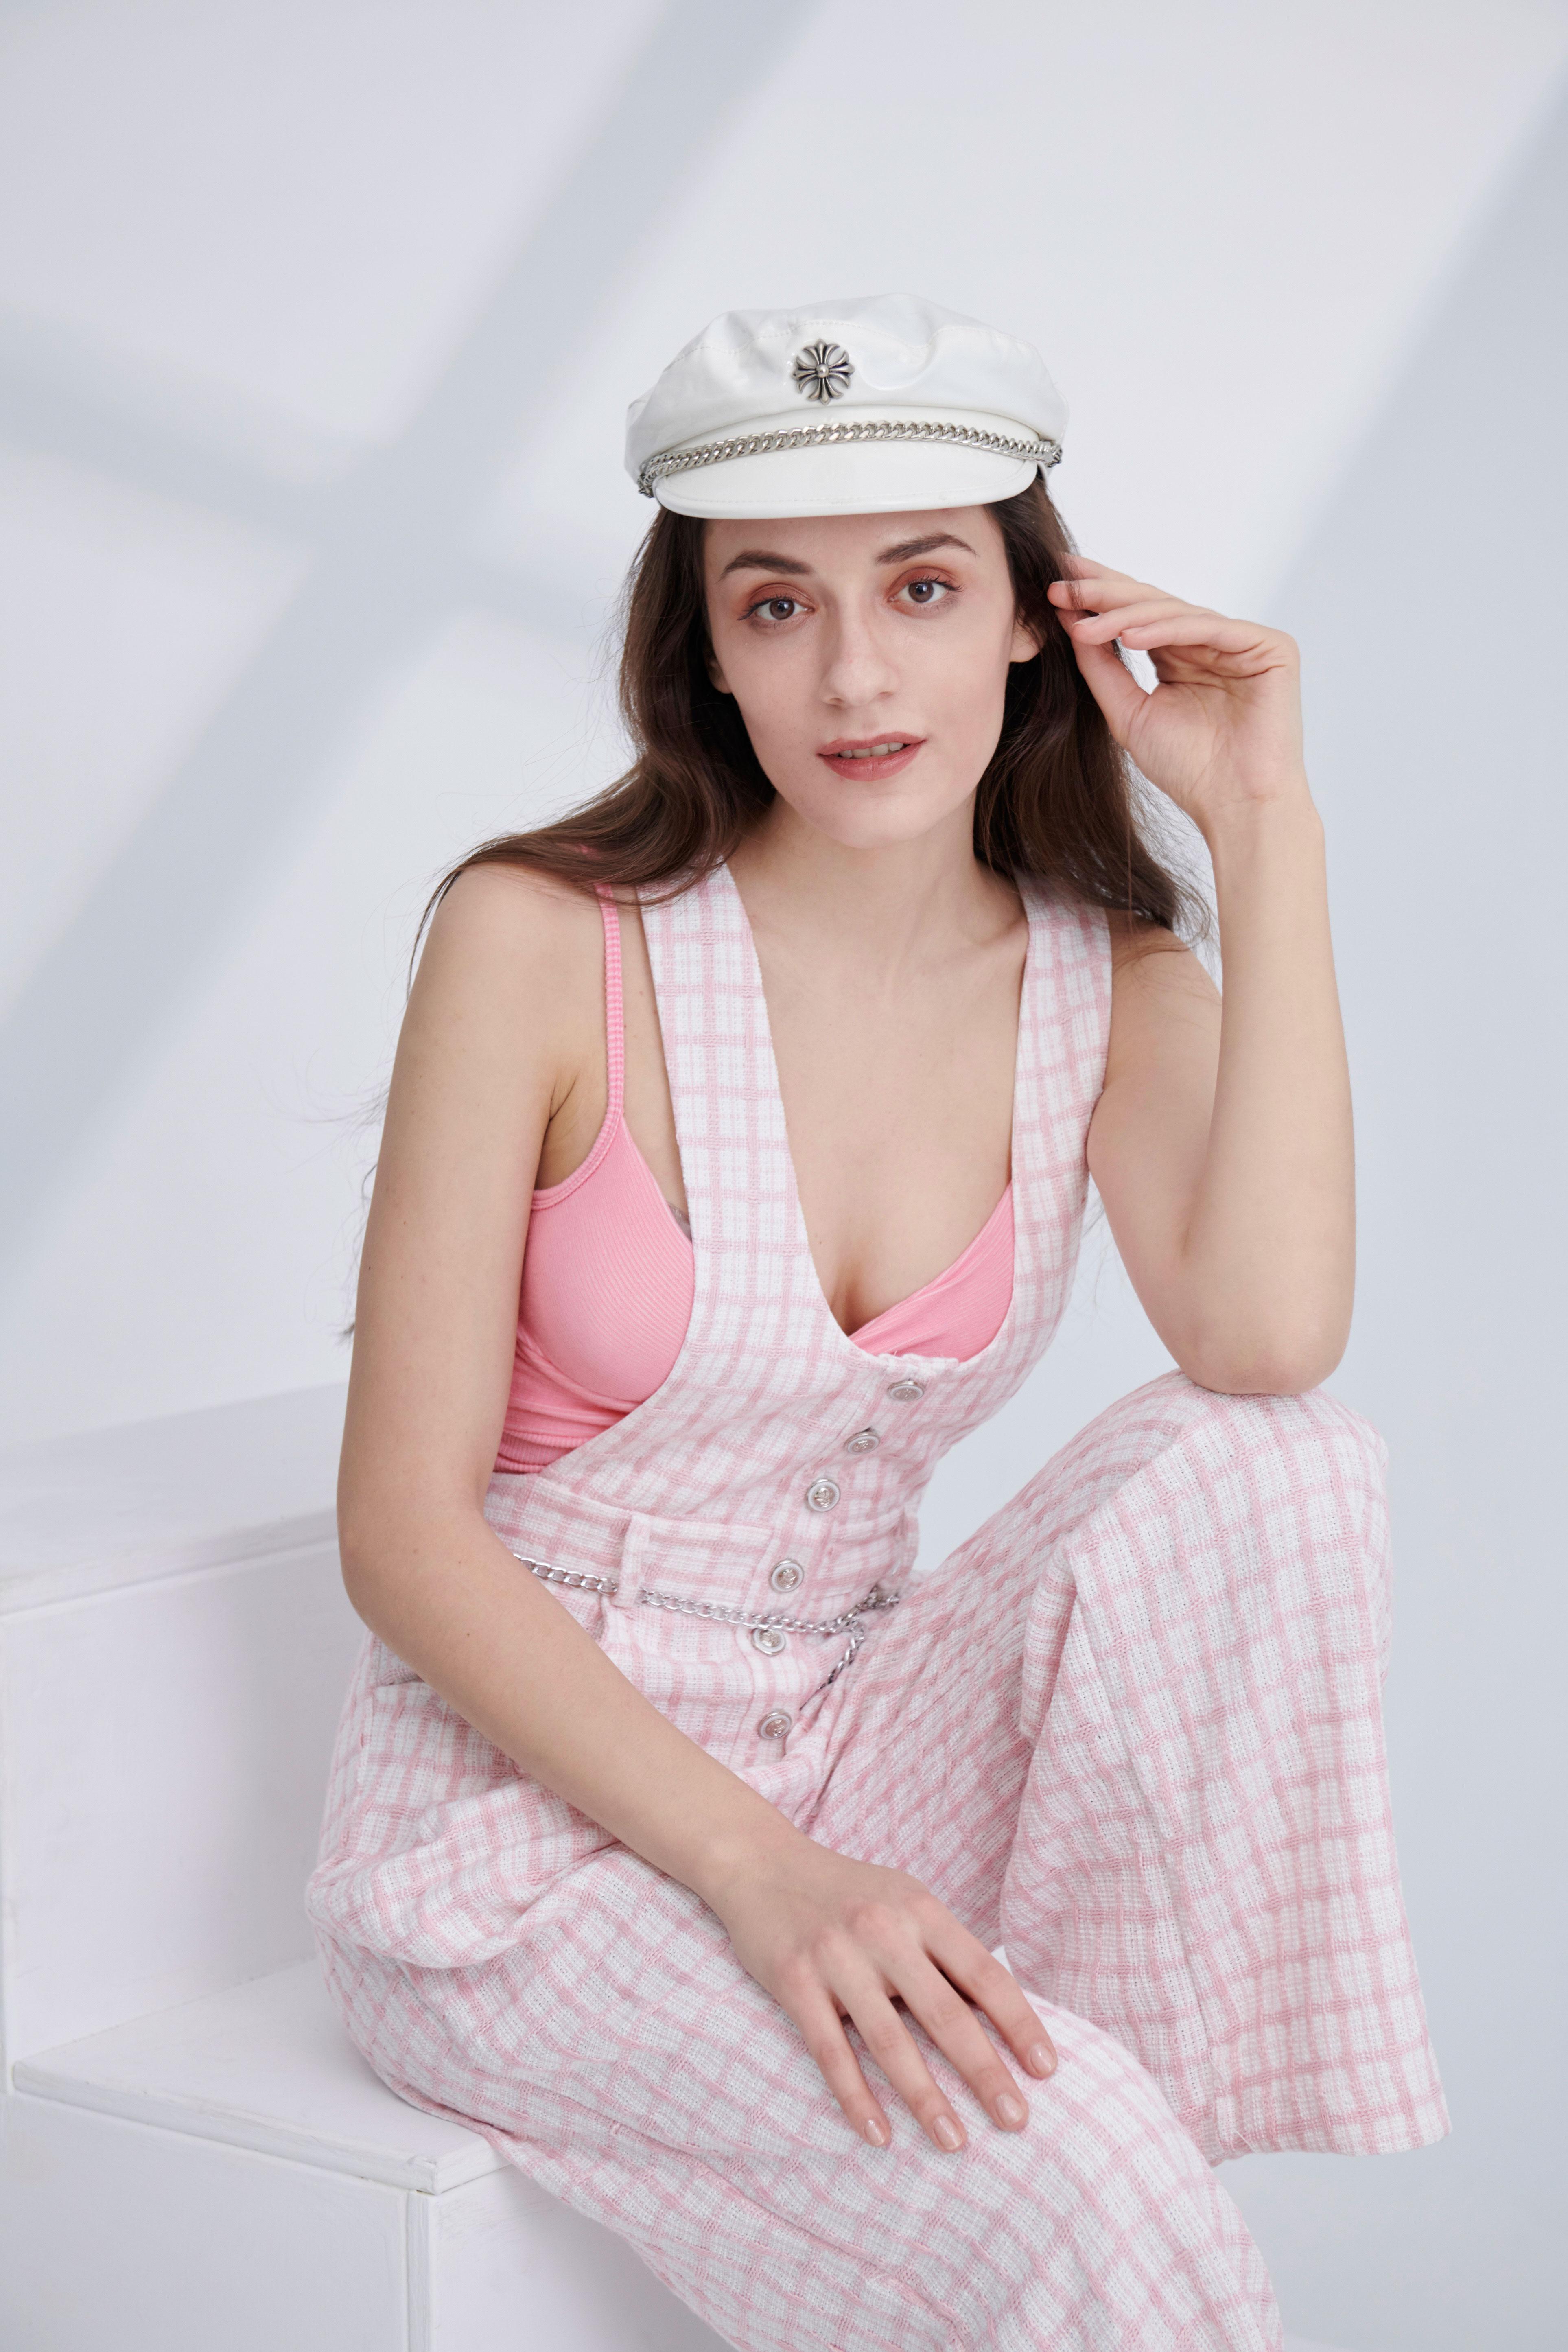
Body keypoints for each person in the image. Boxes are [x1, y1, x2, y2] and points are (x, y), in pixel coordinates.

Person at [308, 295, 1446, 2350]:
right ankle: (1077, 2147)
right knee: (1072, 2177)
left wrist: (1264, 825)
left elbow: (1269, 1340)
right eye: (777, 605)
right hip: (522, 1841)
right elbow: (400, 1532)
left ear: (1028, 617)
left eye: (921, 588)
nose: (852, 675)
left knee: (1279, 1463)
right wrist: (760, 1872)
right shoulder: (538, 939)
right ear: (706, 648)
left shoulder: (1104, 981)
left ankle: (1097, 2113)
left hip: (858, 1745)